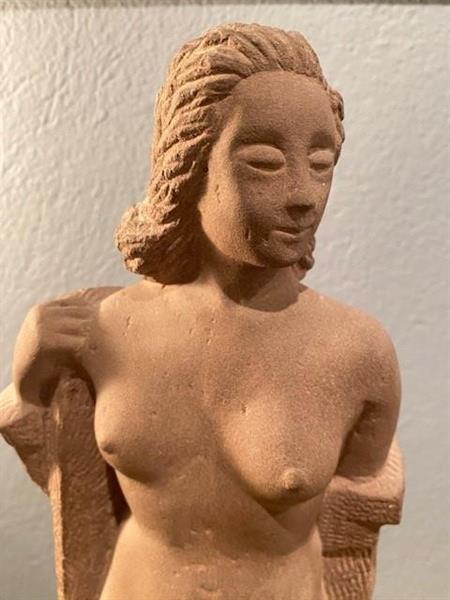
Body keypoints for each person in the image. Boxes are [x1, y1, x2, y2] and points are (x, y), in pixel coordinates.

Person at [1, 22, 404, 600]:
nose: (304, 195)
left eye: (321, 164)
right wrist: (29, 368)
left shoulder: (358, 352)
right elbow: (56, 458)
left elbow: (359, 519)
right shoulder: (99, 329)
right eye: (264, 161)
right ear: (189, 164)